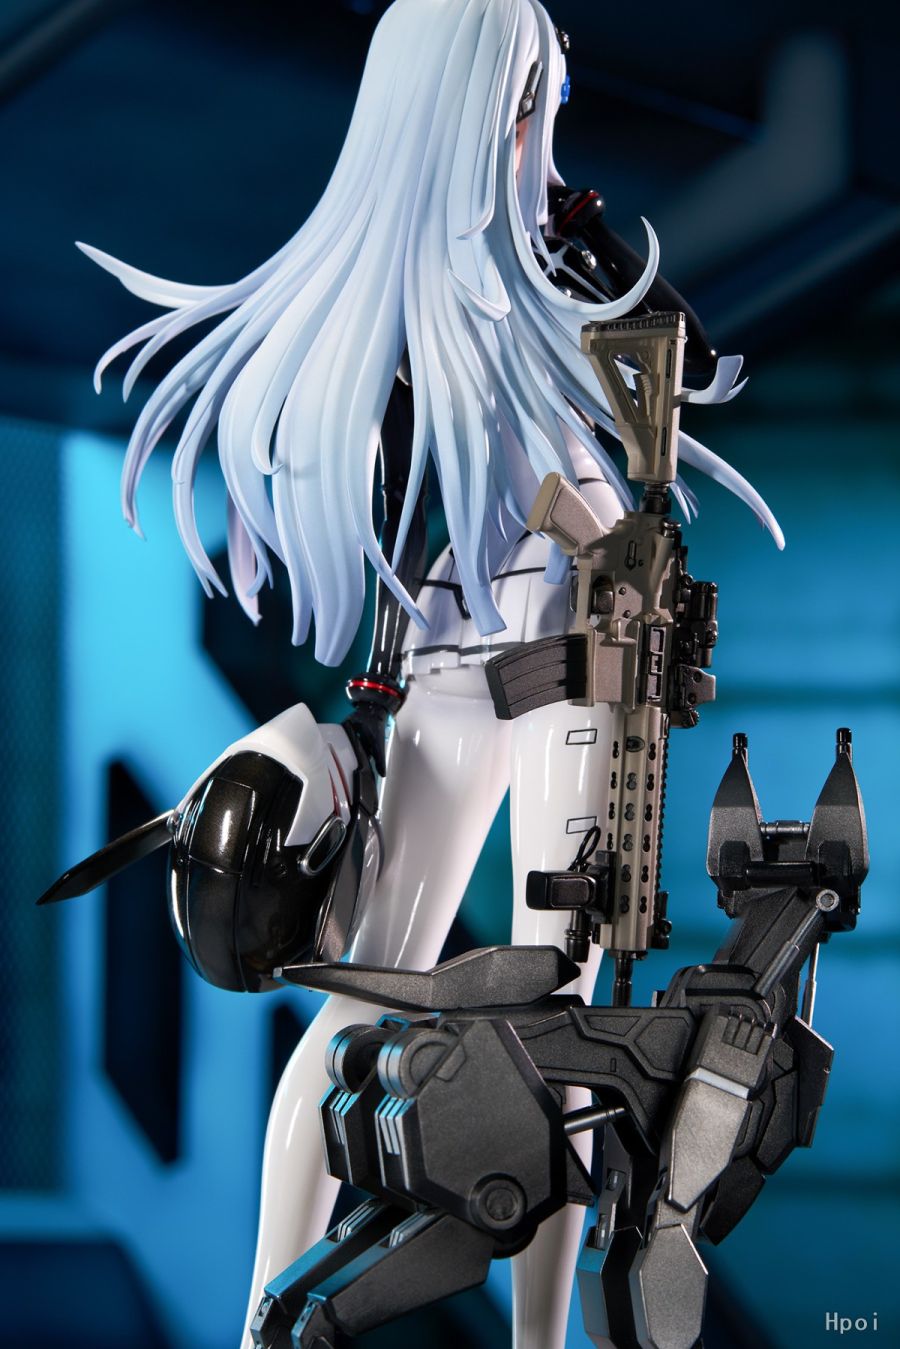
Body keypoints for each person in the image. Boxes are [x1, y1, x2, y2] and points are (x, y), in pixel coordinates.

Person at [79, 2, 781, 1344]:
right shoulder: (444, 295)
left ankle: (493, 1333)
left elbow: (680, 381)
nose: (542, 134)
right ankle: (313, 1319)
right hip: (529, 648)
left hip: (542, 652)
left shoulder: (508, 272)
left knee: (521, 1012)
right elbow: (500, 486)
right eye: (530, 107)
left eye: (545, 107)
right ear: (476, 111)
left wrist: (575, 231)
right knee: (447, 1003)